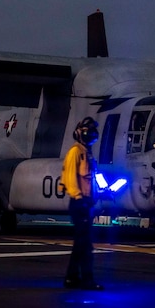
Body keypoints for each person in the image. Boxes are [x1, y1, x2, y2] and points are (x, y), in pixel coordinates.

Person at [60, 117, 103, 290]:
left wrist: (101, 193)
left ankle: (72, 278)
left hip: (86, 203)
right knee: (85, 245)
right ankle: (86, 280)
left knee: (81, 244)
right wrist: (79, 198)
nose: (91, 135)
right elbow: (70, 178)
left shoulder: (88, 153)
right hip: (79, 204)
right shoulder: (75, 152)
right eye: (88, 131)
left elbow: (92, 179)